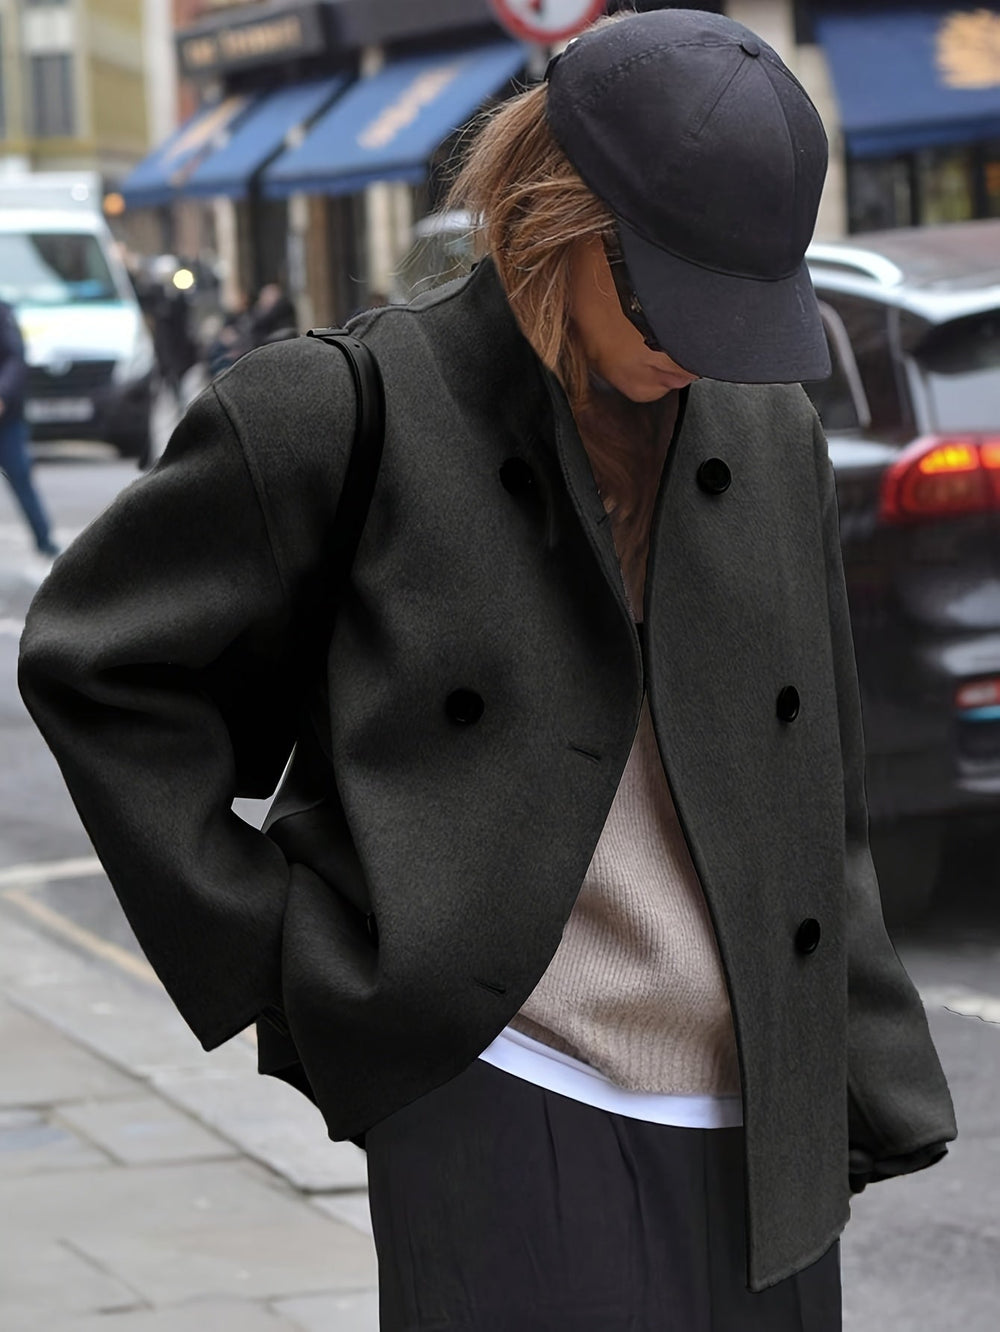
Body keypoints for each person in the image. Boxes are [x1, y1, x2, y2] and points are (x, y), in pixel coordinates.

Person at [18, 11, 956, 1331]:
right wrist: (289, 957)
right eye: (665, 291)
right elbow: (103, 673)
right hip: (512, 1086)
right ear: (552, 208)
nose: (697, 343)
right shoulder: (338, 412)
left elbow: (820, 784)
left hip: (768, 1117)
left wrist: (852, 1059)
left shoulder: (768, 431)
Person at [0, 298, 58, 558]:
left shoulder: (2, 313)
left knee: (20, 476)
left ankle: (44, 540)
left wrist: (3, 394)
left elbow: (15, 357)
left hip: (6, 420)